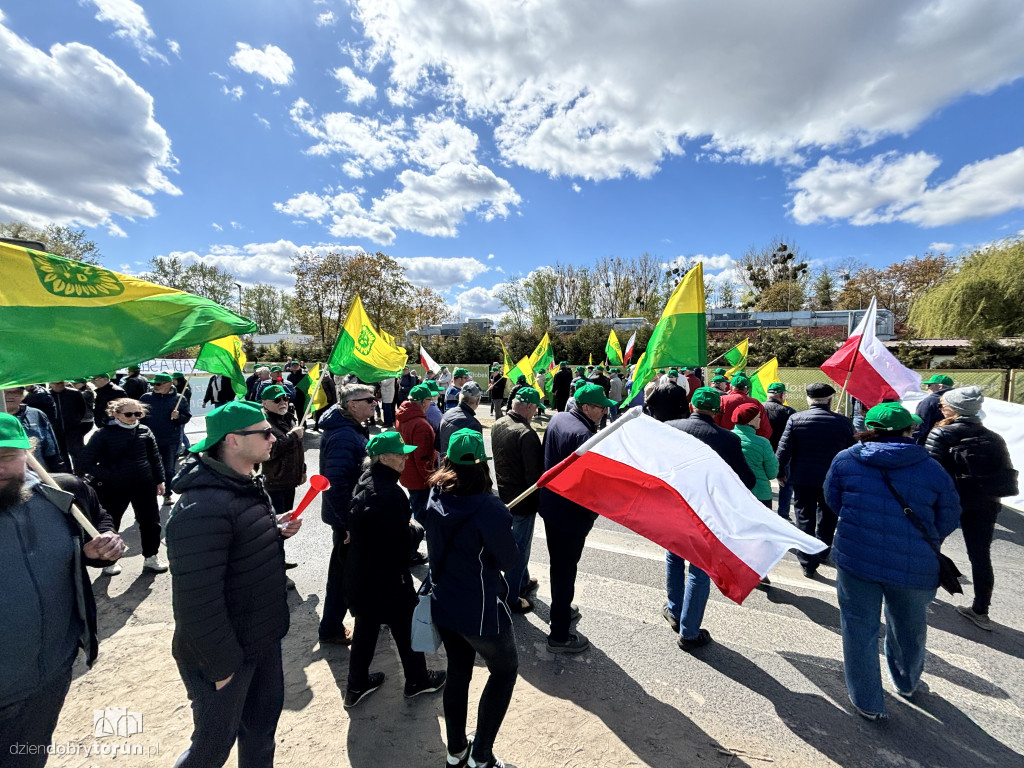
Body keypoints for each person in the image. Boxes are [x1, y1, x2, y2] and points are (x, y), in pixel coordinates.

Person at [166, 401, 302, 767]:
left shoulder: (245, 484)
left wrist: (273, 529)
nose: (274, 438)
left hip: (261, 638)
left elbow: (237, 550)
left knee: (260, 733)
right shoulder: (201, 507)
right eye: (265, 433)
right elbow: (196, 600)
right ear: (233, 441)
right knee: (211, 749)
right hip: (225, 654)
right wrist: (221, 666)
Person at [0, 413, 125, 766]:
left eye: (7, 456)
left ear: (28, 453)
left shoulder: (61, 493)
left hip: (51, 676)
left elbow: (98, 522)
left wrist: (99, 549)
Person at [825, 402, 960, 720]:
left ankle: (866, 700)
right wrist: (923, 539)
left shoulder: (846, 459)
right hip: (914, 563)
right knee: (909, 626)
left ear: (868, 429)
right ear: (908, 430)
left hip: (857, 558)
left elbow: (833, 500)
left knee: (858, 627)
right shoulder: (930, 467)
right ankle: (907, 682)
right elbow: (949, 515)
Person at [423, 429, 519, 768]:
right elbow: (509, 560)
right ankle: (481, 756)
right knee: (505, 671)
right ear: (482, 464)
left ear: (447, 460)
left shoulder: (435, 493)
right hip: (479, 610)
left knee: (458, 670)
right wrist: (501, 522)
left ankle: (456, 751)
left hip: (444, 601)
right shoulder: (489, 507)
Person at [342, 432, 446, 708]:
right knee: (403, 625)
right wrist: (416, 531)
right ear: (383, 458)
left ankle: (356, 685)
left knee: (366, 627)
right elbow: (399, 543)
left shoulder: (367, 480)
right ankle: (417, 680)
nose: (404, 459)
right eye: (399, 455)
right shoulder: (389, 493)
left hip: (362, 573)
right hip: (387, 577)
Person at [664, 388, 756, 650]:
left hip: (674, 506)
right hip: (708, 512)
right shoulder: (728, 439)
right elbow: (747, 480)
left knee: (674, 557)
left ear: (691, 406)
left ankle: (674, 610)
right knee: (700, 569)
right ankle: (689, 632)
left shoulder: (670, 428)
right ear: (718, 412)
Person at [925, 386, 1018, 631]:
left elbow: (930, 473)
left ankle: (924, 595)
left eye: (944, 404)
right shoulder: (994, 437)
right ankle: (980, 610)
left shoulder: (941, 433)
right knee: (980, 556)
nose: (940, 406)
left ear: (956, 409)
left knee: (930, 546)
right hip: (985, 503)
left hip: (948, 502)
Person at [538, 383, 617, 653]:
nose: (604, 412)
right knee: (565, 569)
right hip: (571, 514)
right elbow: (592, 484)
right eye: (600, 408)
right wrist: (593, 513)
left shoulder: (559, 418)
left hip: (552, 506)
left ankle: (560, 608)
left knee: (559, 566)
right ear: (585, 407)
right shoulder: (585, 435)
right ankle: (559, 635)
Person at [80, 398, 169, 574]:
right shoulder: (103, 434)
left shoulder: (145, 430)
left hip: (144, 485)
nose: (134, 417)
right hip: (113, 488)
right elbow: (84, 463)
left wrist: (160, 480)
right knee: (111, 523)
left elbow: (155, 457)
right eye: (129, 414)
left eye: (138, 414)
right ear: (115, 414)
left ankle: (151, 557)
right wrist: (111, 475)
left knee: (151, 522)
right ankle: (109, 561)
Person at [776, 382, 854, 578]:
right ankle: (822, 551)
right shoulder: (843, 422)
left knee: (804, 517)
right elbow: (852, 451)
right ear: (830, 400)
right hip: (832, 479)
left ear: (808, 399)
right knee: (828, 517)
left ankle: (807, 561)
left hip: (803, 478)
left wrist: (779, 471)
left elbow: (784, 449)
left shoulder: (796, 419)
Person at [317, 384, 375, 646]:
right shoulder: (343, 435)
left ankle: (364, 615)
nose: (375, 403)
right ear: (352, 405)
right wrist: (347, 524)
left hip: (352, 515)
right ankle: (331, 628)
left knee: (354, 571)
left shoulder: (350, 428)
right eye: (369, 400)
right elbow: (335, 485)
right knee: (342, 575)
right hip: (347, 519)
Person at [491, 387, 545, 612]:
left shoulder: (498, 423)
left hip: (505, 494)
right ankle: (511, 597)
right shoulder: (526, 434)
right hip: (523, 500)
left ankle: (523, 581)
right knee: (520, 549)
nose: (535, 413)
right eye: (535, 408)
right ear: (529, 407)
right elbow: (535, 478)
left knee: (516, 543)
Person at [141, 372, 191, 504]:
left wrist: (178, 417)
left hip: (170, 440)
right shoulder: (146, 398)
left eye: (158, 384)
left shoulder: (179, 399)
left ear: (169, 384)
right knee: (149, 469)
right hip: (149, 440)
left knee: (169, 469)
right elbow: (139, 418)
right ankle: (150, 495)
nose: (155, 386)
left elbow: (186, 417)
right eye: (154, 384)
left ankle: (167, 494)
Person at [260, 385, 305, 516]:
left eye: (285, 398)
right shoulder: (263, 423)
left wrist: (302, 470)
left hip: (290, 480)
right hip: (274, 482)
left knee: (288, 518)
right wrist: (292, 436)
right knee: (277, 520)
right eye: (277, 400)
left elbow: (298, 448)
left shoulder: (289, 418)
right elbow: (270, 451)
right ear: (264, 403)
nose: (283, 402)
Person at [397, 383, 438, 522]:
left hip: (406, 471)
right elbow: (423, 457)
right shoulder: (421, 425)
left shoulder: (402, 416)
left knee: (415, 504)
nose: (431, 403)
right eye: (430, 399)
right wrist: (430, 479)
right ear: (423, 402)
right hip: (419, 478)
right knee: (421, 513)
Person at [4, 386, 66, 473]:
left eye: (16, 392)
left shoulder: (36, 415)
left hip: (37, 475)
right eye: (5, 392)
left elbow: (51, 450)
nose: (10, 396)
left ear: (23, 394)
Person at [733, 403, 779, 510]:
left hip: (733, 493)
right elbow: (772, 473)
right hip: (760, 493)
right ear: (750, 421)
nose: (760, 420)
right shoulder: (763, 443)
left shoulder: (726, 438)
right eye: (758, 417)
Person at [763, 382, 795, 520]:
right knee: (786, 484)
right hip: (783, 454)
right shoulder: (789, 412)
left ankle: (763, 512)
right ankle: (783, 514)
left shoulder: (759, 408)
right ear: (782, 395)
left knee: (761, 481)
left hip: (762, 451)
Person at [716, 375, 771, 439]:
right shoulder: (755, 402)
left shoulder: (721, 400)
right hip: (750, 441)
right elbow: (765, 429)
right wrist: (757, 441)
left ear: (730, 387)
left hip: (724, 440)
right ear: (747, 389)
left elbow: (714, 422)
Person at [49, 380, 88, 470]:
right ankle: (67, 472)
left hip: (73, 428)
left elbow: (82, 409)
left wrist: (76, 420)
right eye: (57, 383)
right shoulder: (47, 395)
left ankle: (80, 472)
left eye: (61, 382)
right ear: (51, 384)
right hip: (56, 430)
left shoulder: (74, 393)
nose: (60, 385)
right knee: (61, 453)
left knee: (77, 451)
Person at [439, 381, 484, 455]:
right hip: (460, 462)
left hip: (443, 461)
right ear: (477, 401)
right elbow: (478, 455)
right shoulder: (474, 425)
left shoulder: (446, 415)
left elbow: (437, 446)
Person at [914, 374, 955, 445]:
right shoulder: (957, 400)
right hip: (952, 441)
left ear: (940, 386)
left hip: (930, 442)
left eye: (929, 385)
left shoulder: (929, 401)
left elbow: (920, 423)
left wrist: (914, 441)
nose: (927, 387)